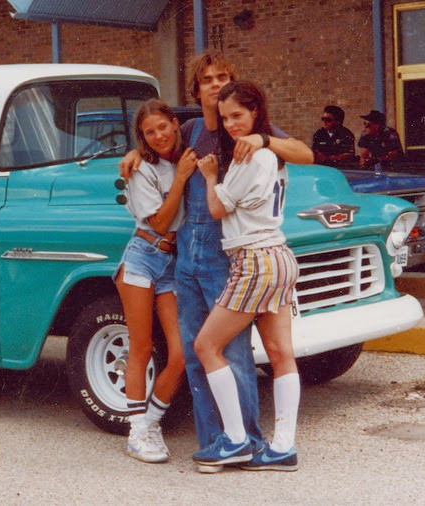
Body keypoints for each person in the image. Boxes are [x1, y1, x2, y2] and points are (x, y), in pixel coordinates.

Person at [119, 50, 312, 473]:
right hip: (187, 253)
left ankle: (245, 441)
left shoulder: (243, 126)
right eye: (206, 79)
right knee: (194, 351)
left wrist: (265, 139)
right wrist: (135, 156)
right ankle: (217, 441)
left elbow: (303, 153)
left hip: (227, 253)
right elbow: (159, 149)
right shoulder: (188, 129)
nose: (214, 84)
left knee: (230, 350)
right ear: (196, 89)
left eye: (221, 77)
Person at [192, 80, 300, 472]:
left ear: (256, 111)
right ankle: (283, 446)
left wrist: (208, 177)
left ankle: (236, 440)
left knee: (206, 346)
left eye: (238, 115)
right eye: (224, 118)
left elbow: (218, 208)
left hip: (254, 259)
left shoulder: (250, 156)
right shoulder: (272, 153)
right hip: (280, 255)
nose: (231, 124)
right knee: (280, 354)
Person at [115, 99, 192, 463]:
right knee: (141, 346)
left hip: (173, 263)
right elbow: (159, 223)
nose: (159, 135)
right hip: (143, 257)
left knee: (181, 353)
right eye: (149, 132)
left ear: (175, 123)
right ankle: (136, 432)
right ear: (142, 138)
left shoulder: (187, 156)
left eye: (163, 126)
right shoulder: (142, 168)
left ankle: (152, 422)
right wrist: (178, 180)